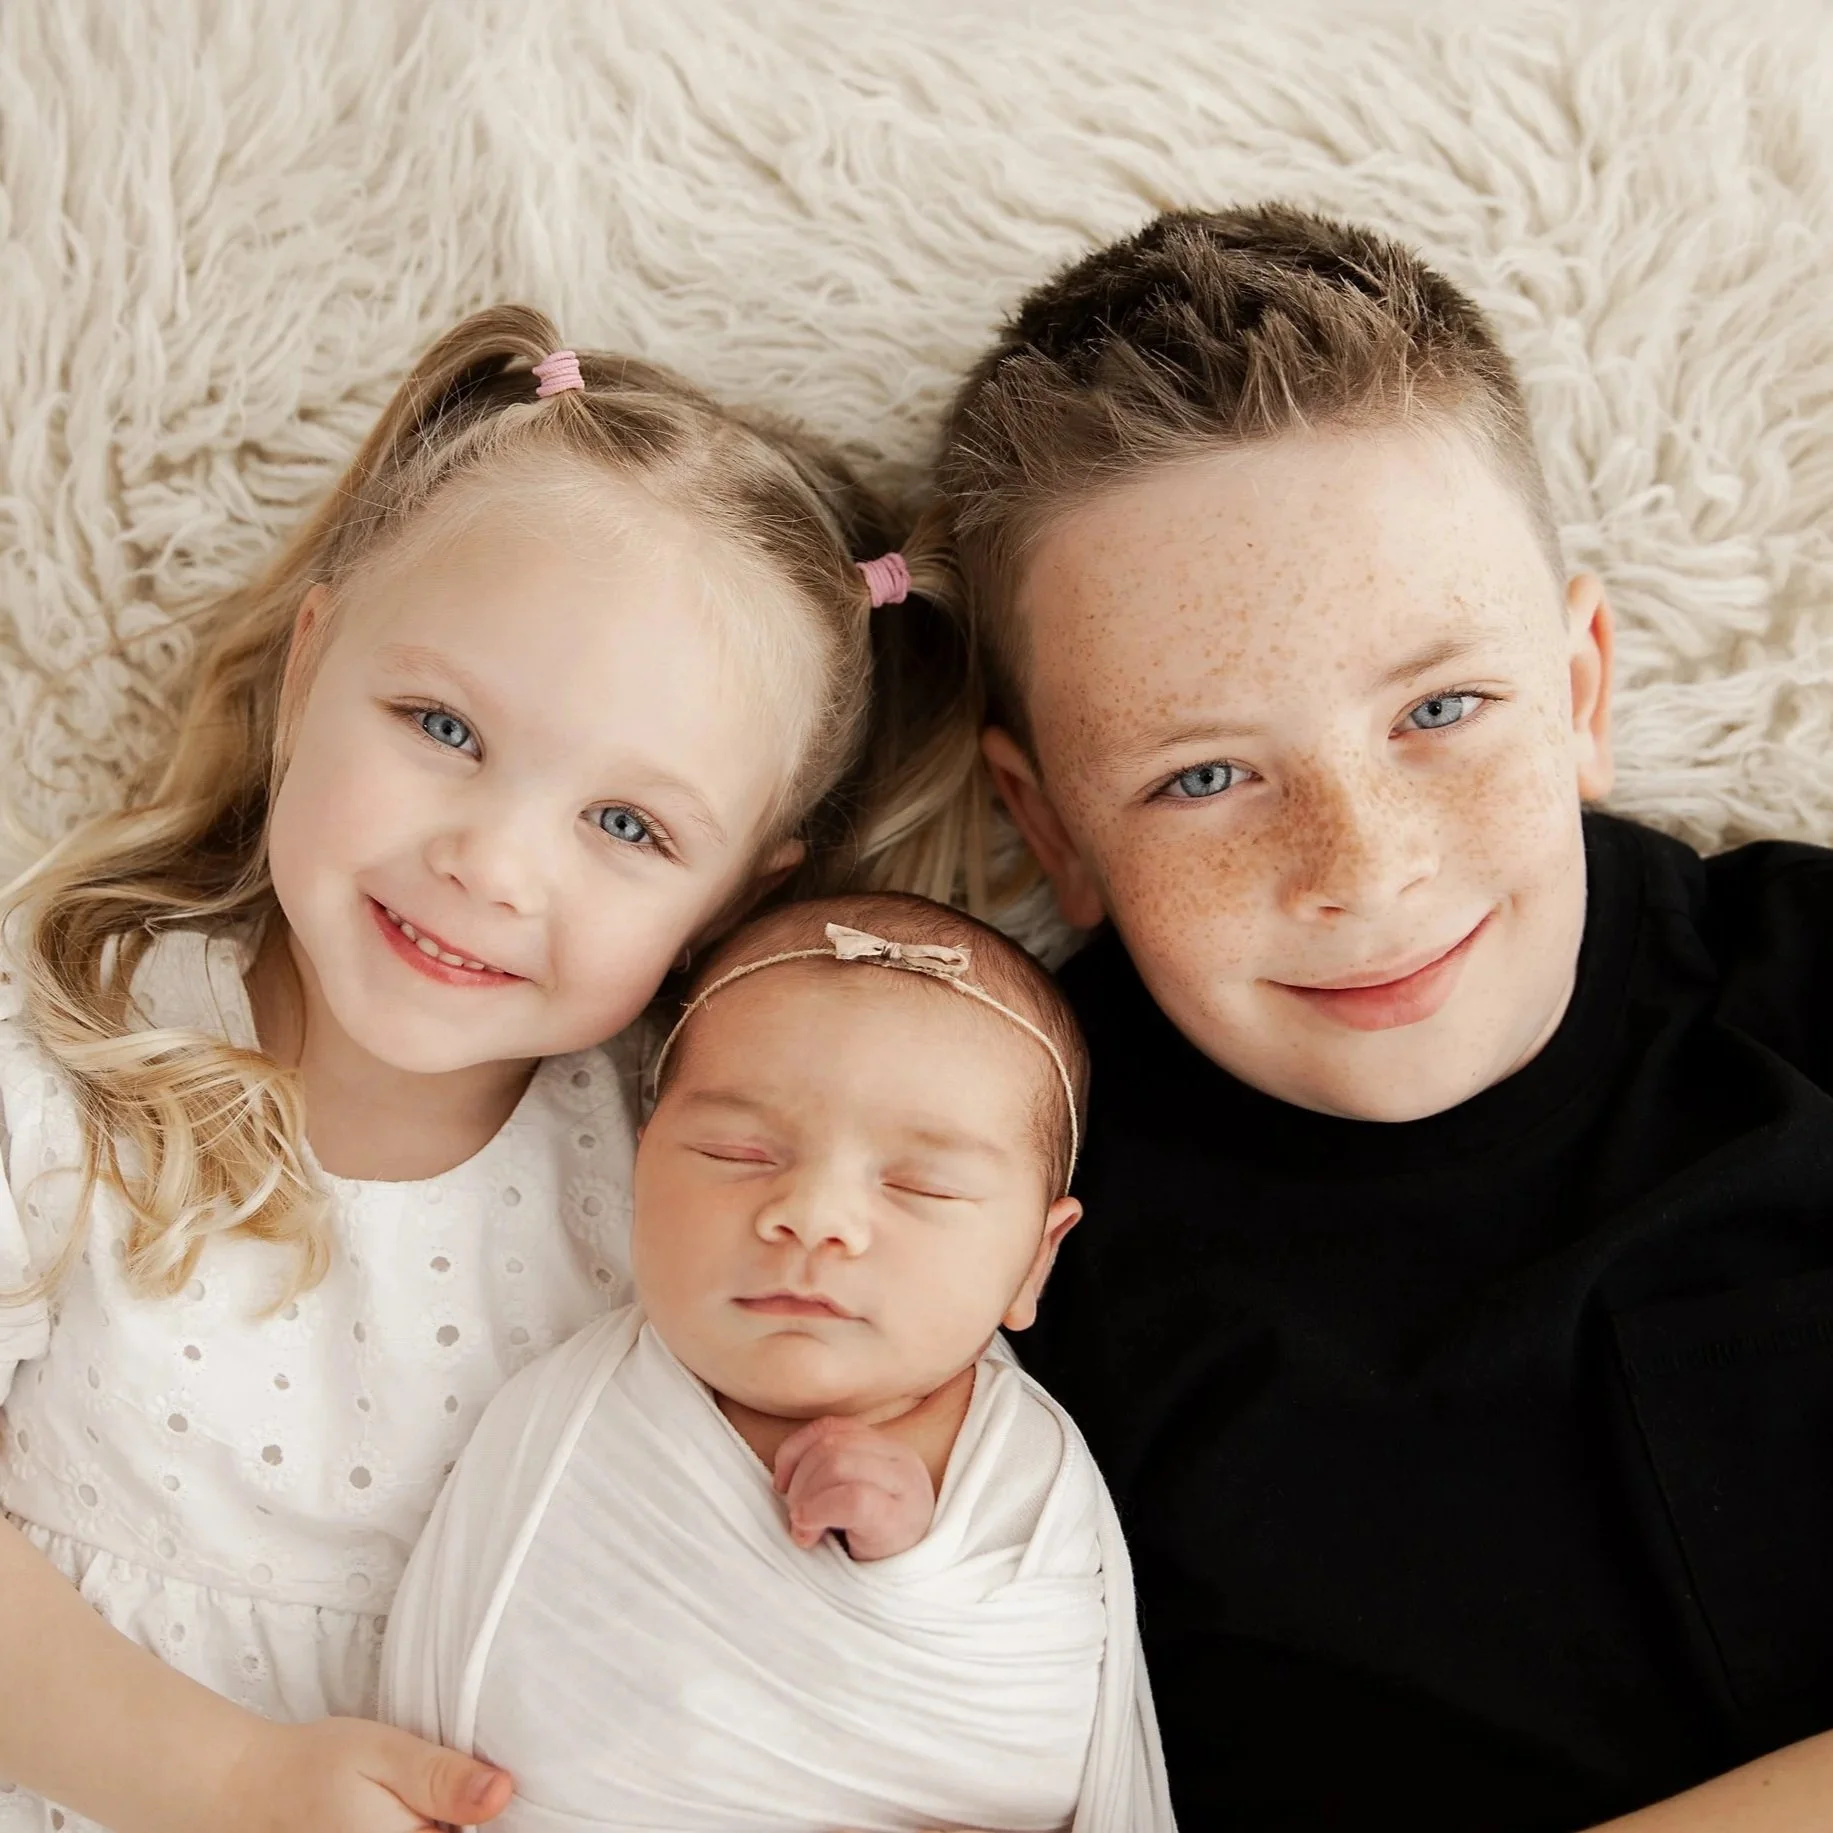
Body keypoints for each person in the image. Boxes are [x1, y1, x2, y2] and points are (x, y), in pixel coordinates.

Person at [864, 206, 1833, 1830]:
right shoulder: (1000, 1249)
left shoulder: (1801, 986)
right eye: (1202, 775)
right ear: (1046, 827)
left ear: (1581, 690)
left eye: (1440, 708)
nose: (1362, 867)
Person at [0, 308, 915, 1833]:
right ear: (309, 667)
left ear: (733, 898)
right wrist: (228, 1781)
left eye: (627, 826)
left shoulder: (684, 1176)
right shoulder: (65, 1055)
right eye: (442, 726)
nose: (491, 864)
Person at [381, 891, 1172, 1833]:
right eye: (737, 1152)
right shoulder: (555, 1410)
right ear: (641, 1167)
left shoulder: (1022, 1469)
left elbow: (1034, 1740)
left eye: (921, 1185)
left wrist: (912, 1560)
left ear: (1034, 1260)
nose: (813, 1216)